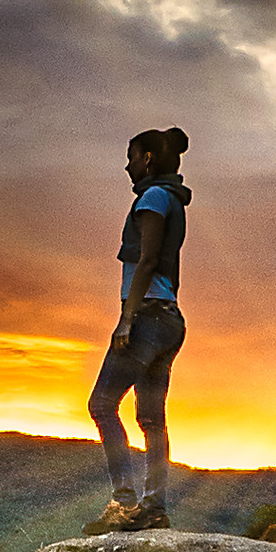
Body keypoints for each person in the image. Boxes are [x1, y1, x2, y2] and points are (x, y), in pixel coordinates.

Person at [89, 126, 190, 527]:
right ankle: (154, 509)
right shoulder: (174, 199)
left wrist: (126, 319)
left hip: (147, 318)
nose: (127, 165)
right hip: (170, 320)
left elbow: (146, 261)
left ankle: (125, 503)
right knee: (151, 419)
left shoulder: (153, 197)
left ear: (147, 159)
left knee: (101, 404)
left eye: (131, 156)